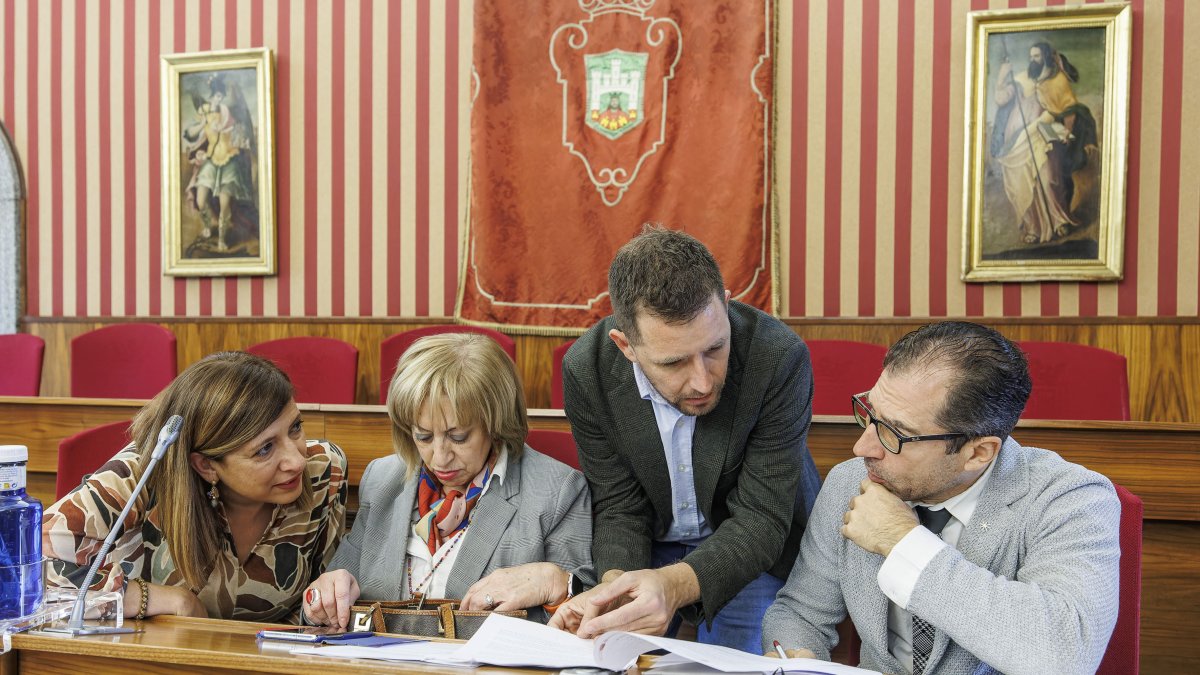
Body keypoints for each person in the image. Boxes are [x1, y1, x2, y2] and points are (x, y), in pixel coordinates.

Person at [762, 321, 1120, 675]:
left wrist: (903, 543)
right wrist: (798, 657)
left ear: (978, 453)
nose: (863, 447)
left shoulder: (1071, 499)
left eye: (895, 434)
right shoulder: (849, 482)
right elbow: (800, 612)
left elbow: (1063, 656)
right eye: (870, 415)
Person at [549, 225, 822, 653]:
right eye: (674, 362)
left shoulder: (779, 357)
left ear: (726, 307)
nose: (701, 381)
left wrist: (672, 587)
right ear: (626, 347)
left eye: (714, 348)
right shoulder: (588, 370)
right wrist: (616, 589)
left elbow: (763, 518)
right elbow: (620, 507)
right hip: (652, 540)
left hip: (754, 543)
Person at [303, 333, 594, 629]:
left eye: (458, 437)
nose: (440, 457)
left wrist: (555, 584)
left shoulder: (558, 491)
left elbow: (578, 624)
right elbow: (325, 609)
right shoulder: (381, 480)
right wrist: (321, 599)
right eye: (423, 436)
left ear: (496, 423)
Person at [42, 351, 348, 623]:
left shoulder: (323, 472)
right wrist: (161, 598)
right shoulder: (145, 471)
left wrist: (320, 606)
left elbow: (314, 612)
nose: (296, 460)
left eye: (295, 428)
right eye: (265, 449)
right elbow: (24, 563)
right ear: (205, 465)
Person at [992, 41, 1098, 244]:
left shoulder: (1058, 81)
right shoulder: (1023, 78)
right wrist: (1002, 77)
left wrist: (1066, 132)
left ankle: (1058, 221)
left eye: (1037, 57)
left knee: (1049, 178)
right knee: (1025, 182)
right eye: (1031, 57)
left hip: (1045, 133)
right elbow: (1001, 98)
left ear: (1046, 57)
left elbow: (1069, 110)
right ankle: (1033, 227)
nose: (1033, 60)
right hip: (1019, 140)